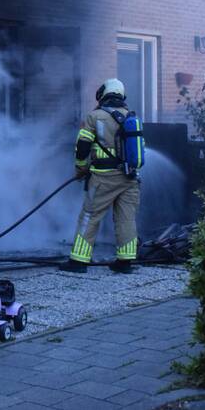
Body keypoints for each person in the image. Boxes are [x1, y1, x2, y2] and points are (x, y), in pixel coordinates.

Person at [60, 78, 140, 274]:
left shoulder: (94, 117)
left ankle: (78, 261)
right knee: (126, 219)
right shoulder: (131, 117)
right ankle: (125, 262)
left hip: (104, 178)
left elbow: (83, 146)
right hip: (130, 179)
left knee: (90, 216)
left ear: (104, 94)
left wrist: (80, 168)